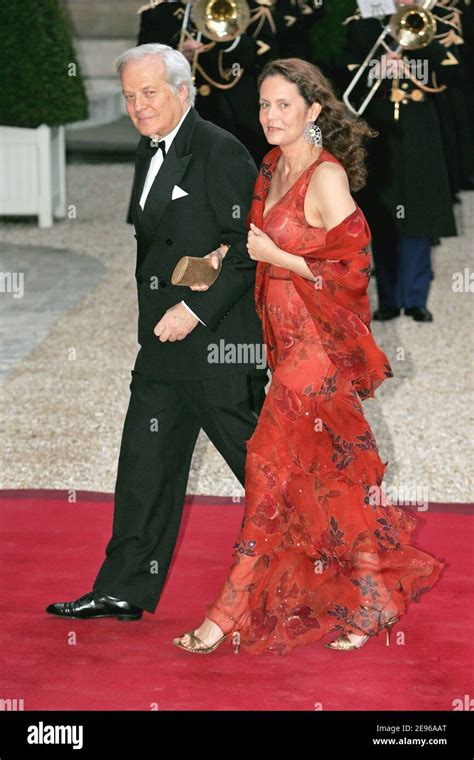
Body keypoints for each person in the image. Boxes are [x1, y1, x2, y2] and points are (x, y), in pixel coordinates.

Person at [173, 58, 445, 655]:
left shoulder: (325, 178)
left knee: (267, 470)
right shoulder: (270, 166)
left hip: (317, 353)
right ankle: (372, 599)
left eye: (283, 106)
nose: (270, 116)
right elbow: (256, 239)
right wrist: (223, 257)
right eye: (264, 105)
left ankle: (228, 610)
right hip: (283, 345)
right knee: (334, 479)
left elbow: (354, 268)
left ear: (314, 111)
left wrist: (283, 257)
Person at [46, 43, 269, 622]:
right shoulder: (151, 149)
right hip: (163, 346)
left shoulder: (220, 152)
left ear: (182, 91)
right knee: (144, 467)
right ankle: (122, 588)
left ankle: (340, 572)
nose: (138, 106)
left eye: (149, 93)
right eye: (129, 96)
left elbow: (250, 249)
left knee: (265, 473)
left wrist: (194, 312)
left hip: (218, 345)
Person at [341, 0, 458, 323]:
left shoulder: (435, 21)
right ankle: (389, 298)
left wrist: (410, 65)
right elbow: (345, 65)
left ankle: (416, 297)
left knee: (419, 211)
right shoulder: (366, 21)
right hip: (379, 126)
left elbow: (453, 68)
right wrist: (376, 68)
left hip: (419, 125)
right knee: (381, 212)